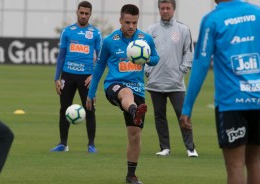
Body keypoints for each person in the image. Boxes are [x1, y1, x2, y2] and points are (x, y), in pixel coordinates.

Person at [180, 0, 260, 183]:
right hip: (259, 100)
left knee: (235, 166)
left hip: (231, 102)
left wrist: (187, 107)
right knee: (255, 162)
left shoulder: (213, 19)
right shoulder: (258, 13)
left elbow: (201, 63)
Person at [86, 4, 159, 184]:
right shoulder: (110, 40)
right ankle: (134, 110)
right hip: (114, 86)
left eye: (134, 22)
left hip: (138, 89)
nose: (131, 26)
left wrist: (147, 58)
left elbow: (156, 58)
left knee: (135, 136)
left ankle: (131, 176)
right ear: (120, 20)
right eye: (127, 22)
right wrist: (91, 93)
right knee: (125, 92)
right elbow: (99, 67)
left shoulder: (145, 39)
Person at [145, 0, 198, 157]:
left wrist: (181, 72)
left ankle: (190, 148)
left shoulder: (183, 29)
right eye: (162, 8)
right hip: (155, 82)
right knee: (159, 116)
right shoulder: (151, 30)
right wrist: (148, 71)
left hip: (175, 83)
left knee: (183, 114)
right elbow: (145, 53)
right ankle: (165, 148)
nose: (165, 11)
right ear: (159, 10)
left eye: (168, 8)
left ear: (174, 9)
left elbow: (188, 54)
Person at [51, 1, 102, 153]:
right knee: (64, 109)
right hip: (68, 75)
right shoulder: (67, 31)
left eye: (87, 13)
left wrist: (94, 76)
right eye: (82, 13)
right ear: (77, 12)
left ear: (90, 14)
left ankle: (91, 145)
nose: (84, 16)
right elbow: (61, 56)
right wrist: (56, 78)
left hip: (86, 77)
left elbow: (100, 59)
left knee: (90, 109)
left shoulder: (96, 33)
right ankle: (63, 144)